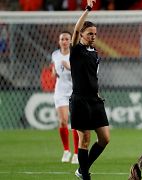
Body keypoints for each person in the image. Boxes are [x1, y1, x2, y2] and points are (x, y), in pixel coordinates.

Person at [69, 0, 110, 179]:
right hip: (79, 100)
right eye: (90, 33)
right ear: (83, 35)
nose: (93, 36)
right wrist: (87, 10)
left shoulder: (95, 53)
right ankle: (85, 175)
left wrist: (97, 93)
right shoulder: (76, 51)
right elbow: (76, 30)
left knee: (105, 139)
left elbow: (93, 77)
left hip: (94, 100)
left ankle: (82, 169)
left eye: (95, 33)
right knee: (84, 139)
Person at [51, 31, 79, 164]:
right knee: (63, 121)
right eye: (62, 39)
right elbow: (54, 71)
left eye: (67, 39)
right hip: (60, 92)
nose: (64, 41)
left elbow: (80, 71)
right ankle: (66, 150)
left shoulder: (75, 54)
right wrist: (53, 73)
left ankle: (77, 154)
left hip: (75, 91)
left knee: (75, 122)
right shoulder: (55, 55)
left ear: (70, 41)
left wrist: (69, 67)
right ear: (59, 41)